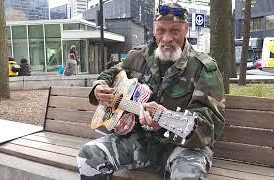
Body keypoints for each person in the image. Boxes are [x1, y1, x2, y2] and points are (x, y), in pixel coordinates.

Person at [77, 3, 225, 180]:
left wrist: (165, 120)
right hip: (142, 142)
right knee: (90, 154)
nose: (166, 38)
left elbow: (209, 126)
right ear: (154, 30)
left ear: (186, 30)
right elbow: (111, 73)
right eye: (160, 30)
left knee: (188, 175)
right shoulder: (138, 56)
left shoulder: (204, 68)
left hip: (185, 147)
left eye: (175, 31)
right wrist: (99, 87)